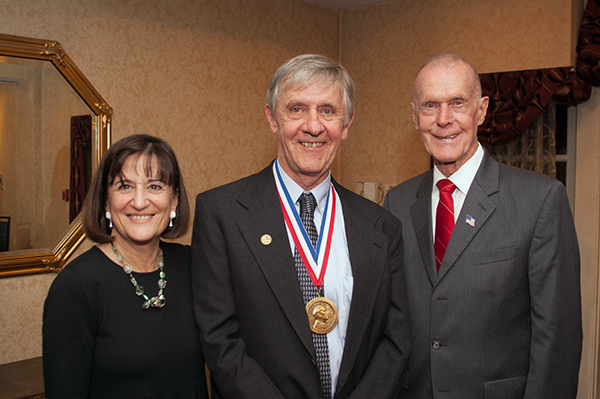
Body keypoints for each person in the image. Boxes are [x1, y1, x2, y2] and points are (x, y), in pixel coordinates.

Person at [191, 54, 410, 399]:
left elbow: (395, 340)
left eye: (328, 110)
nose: (313, 126)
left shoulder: (382, 227)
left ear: (347, 123)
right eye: (296, 109)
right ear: (272, 118)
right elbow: (220, 340)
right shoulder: (221, 214)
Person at [384, 54, 582, 398]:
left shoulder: (540, 200)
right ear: (415, 117)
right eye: (430, 106)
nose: (443, 120)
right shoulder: (397, 204)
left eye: (457, 103)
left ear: (482, 109)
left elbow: (557, 342)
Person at [43, 134, 209, 398]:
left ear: (174, 200)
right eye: (124, 186)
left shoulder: (194, 265)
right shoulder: (75, 288)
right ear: (106, 201)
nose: (140, 201)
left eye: (155, 186)